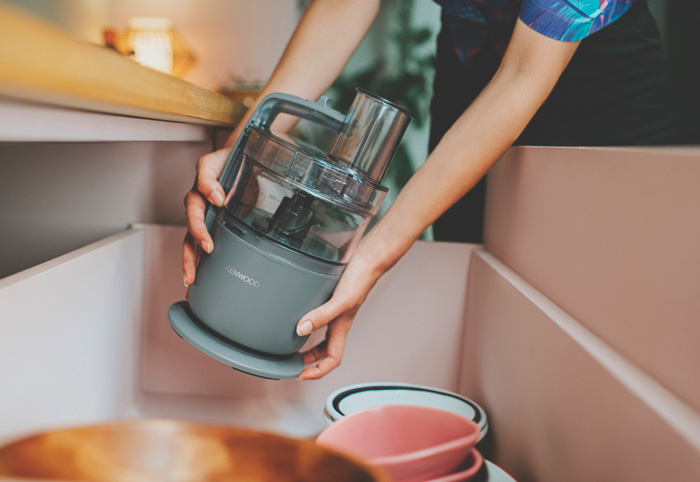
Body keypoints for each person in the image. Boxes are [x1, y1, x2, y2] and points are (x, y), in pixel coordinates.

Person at [182, 0, 678, 380]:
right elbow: (342, 6)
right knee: (472, 258)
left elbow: (526, 74)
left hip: (605, 75)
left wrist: (374, 254)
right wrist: (241, 154)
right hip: (473, 57)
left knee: (611, 305)